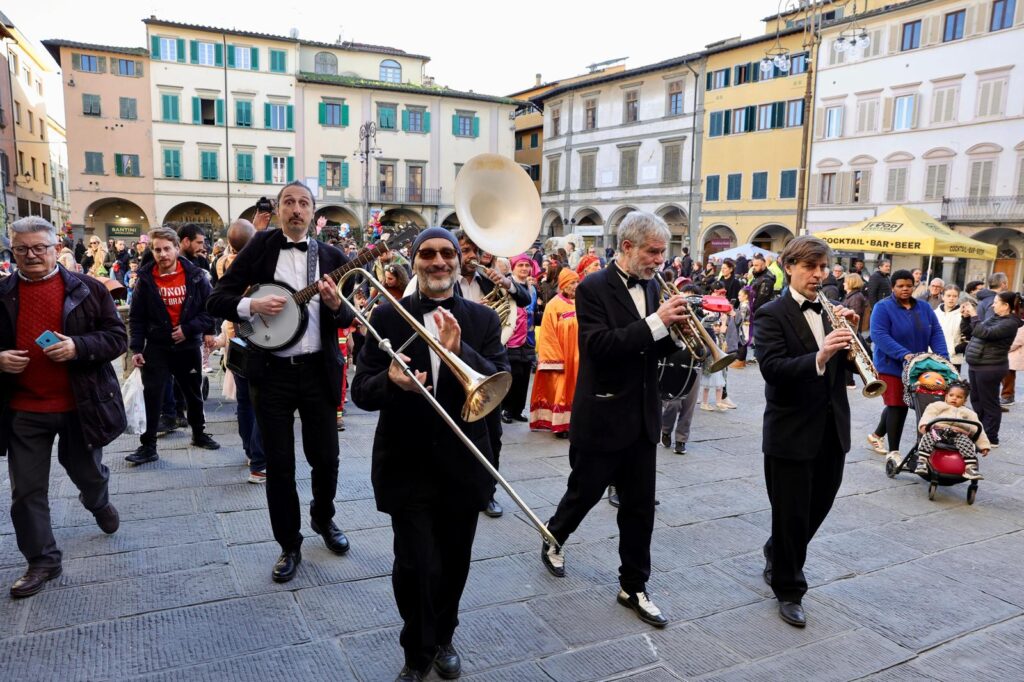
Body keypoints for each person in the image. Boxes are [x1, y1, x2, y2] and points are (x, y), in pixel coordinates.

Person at [351, 227, 509, 682]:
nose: (438, 262)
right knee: (415, 564)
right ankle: (416, 651)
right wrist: (391, 383)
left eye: (446, 254)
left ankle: (444, 636)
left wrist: (463, 351)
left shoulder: (482, 319)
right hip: (406, 461)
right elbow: (361, 390)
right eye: (427, 254)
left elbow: (499, 379)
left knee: (455, 560)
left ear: (459, 262)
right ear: (415, 261)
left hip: (464, 462)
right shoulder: (388, 316)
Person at [542, 211, 687, 629]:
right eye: (653, 251)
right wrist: (658, 323)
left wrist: (677, 336)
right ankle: (554, 536)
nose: (661, 260)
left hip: (642, 416)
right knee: (583, 492)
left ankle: (634, 585)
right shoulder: (591, 287)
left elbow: (650, 349)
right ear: (627, 247)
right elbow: (600, 346)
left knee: (640, 509)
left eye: (662, 252)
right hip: (603, 412)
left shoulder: (655, 286)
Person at [207, 181, 355, 582]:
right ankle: (289, 544)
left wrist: (336, 305)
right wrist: (250, 305)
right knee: (280, 464)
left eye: (303, 203)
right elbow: (216, 298)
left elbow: (347, 318)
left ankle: (324, 519)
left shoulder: (333, 256)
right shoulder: (261, 248)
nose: (295, 209)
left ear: (312, 213)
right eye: (288, 202)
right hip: (270, 373)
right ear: (277, 209)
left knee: (326, 458)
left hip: (318, 371)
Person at [0, 217, 126, 598]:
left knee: (86, 472)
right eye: (22, 249)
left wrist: (78, 347)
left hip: (80, 406)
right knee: (26, 491)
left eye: (39, 247)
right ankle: (43, 560)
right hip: (24, 409)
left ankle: (98, 500)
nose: (31, 255)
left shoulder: (88, 289)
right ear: (13, 251)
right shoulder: (2, 293)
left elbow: (117, 337)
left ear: (57, 248)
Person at [754, 235, 861, 628]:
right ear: (789, 267)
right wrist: (820, 354)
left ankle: (777, 551)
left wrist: (852, 340)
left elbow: (850, 366)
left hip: (832, 429)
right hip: (790, 432)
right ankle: (789, 589)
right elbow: (773, 370)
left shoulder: (831, 310)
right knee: (792, 514)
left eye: (822, 267)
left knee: (818, 507)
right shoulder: (770, 313)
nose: (818, 275)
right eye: (810, 267)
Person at [126, 228, 220, 465]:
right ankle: (148, 446)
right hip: (157, 347)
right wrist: (136, 349)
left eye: (167, 248)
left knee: (193, 393)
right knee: (152, 395)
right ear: (152, 251)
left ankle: (199, 434)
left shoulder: (196, 275)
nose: (162, 254)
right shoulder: (146, 279)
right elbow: (136, 317)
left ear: (177, 248)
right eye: (157, 249)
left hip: (187, 345)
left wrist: (188, 329)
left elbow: (211, 310)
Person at [866, 270, 948, 457]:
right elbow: (879, 335)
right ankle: (894, 452)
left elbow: (935, 333)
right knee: (898, 405)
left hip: (917, 366)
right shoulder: (882, 307)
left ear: (914, 286)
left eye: (909, 286)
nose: (905, 289)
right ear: (893, 287)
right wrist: (903, 354)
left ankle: (877, 434)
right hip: (890, 365)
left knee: (899, 403)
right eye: (900, 286)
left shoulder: (924, 308)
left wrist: (943, 359)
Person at [219, 219, 267, 483]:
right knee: (261, 401)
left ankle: (250, 451)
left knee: (244, 402)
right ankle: (259, 462)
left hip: (237, 339)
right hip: (257, 339)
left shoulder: (223, 264)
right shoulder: (253, 266)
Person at [965, 291, 1021, 448]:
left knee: (989, 403)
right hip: (976, 364)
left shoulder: (1010, 323)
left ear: (1006, 306)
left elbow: (985, 333)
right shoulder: (994, 318)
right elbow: (973, 332)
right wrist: (966, 317)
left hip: (991, 367)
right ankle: (980, 432)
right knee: (976, 400)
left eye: (996, 302)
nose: (992, 304)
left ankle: (991, 437)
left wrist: (974, 315)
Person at [529, 268, 580, 438]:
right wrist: (555, 358)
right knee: (562, 389)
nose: (576, 285)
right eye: (572, 282)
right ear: (564, 285)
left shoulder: (582, 302)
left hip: (579, 355)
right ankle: (560, 425)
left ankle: (574, 423)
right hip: (562, 355)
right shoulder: (553, 305)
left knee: (577, 389)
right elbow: (548, 333)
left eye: (577, 282)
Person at [915, 380, 990, 479]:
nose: (954, 398)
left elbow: (977, 428)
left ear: (964, 400)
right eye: (951, 395)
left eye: (959, 397)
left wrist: (984, 446)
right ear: (946, 396)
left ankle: (970, 468)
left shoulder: (969, 413)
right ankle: (922, 462)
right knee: (928, 437)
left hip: (958, 433)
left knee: (967, 443)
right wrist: (924, 425)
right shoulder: (938, 406)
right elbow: (928, 415)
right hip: (939, 430)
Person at [501, 254, 538, 424]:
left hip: (528, 338)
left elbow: (534, 311)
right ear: (513, 267)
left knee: (524, 376)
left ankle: (518, 409)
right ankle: (506, 409)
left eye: (527, 265)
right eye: (520, 265)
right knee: (512, 374)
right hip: (512, 337)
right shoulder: (507, 285)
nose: (524, 268)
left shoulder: (532, 288)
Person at [935, 285, 966, 371]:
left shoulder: (963, 314)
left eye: (954, 296)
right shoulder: (934, 313)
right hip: (934, 357)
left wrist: (954, 350)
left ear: (958, 298)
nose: (951, 298)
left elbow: (968, 338)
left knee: (952, 384)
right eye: (948, 295)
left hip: (953, 359)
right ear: (942, 297)